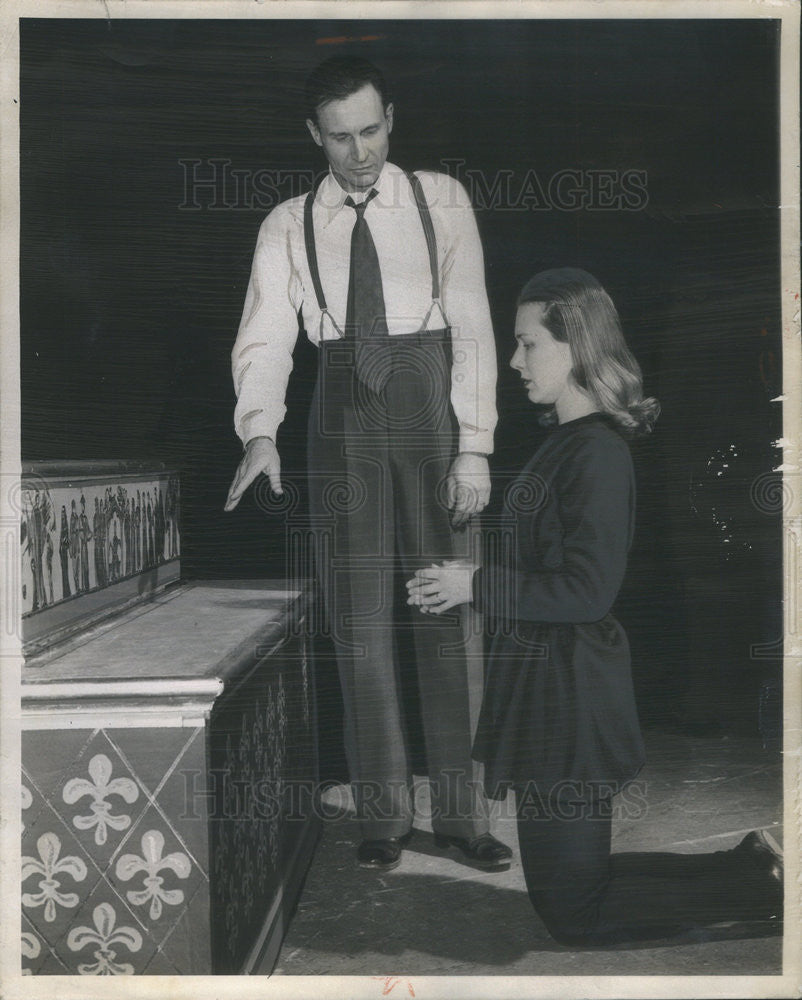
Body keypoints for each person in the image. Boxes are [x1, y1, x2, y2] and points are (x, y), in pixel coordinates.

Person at [407, 268, 783, 944]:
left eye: (528, 345)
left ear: (575, 347)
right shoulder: (567, 443)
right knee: (577, 895)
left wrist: (476, 586)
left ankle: (770, 899)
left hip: (571, 699)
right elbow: (553, 564)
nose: (515, 363)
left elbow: (588, 590)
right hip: (551, 690)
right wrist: (478, 573)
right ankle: (756, 870)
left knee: (575, 913)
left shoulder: (598, 453)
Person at [225, 56, 510, 872]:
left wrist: (476, 449)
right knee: (359, 622)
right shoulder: (287, 223)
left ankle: (464, 819)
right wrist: (260, 431)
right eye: (340, 137)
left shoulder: (439, 200)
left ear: (393, 117)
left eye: (372, 131)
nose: (359, 153)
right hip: (339, 415)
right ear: (314, 135)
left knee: (449, 613)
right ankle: (382, 818)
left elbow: (475, 328)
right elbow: (267, 335)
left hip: (430, 414)